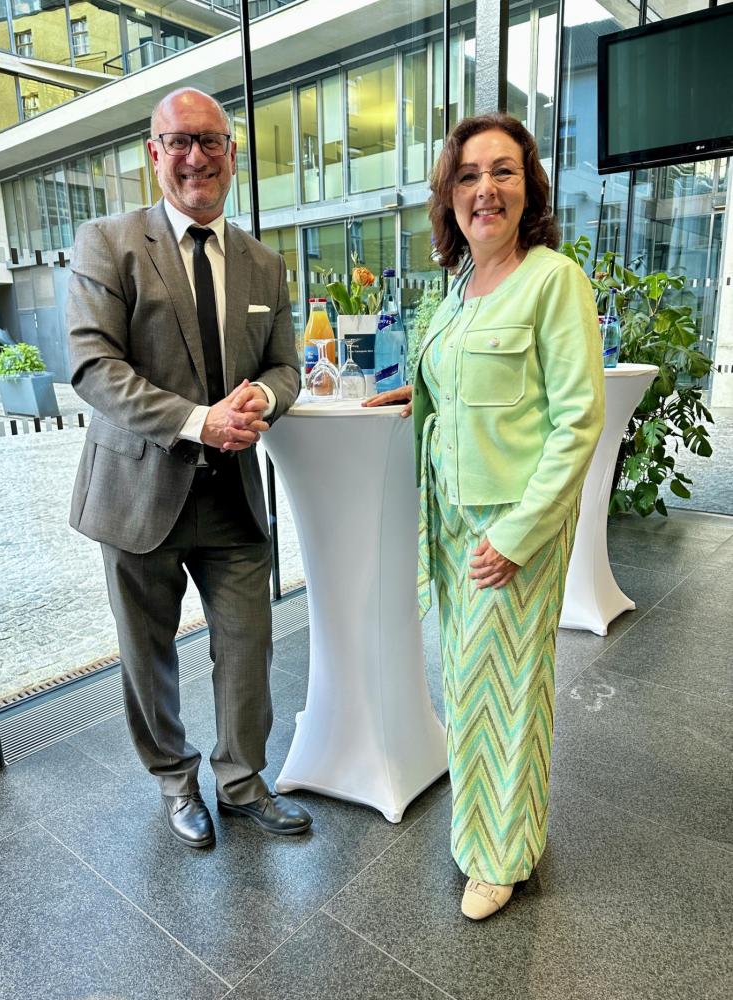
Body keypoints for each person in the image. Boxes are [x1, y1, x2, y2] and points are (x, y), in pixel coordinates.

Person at [366, 113, 604, 919]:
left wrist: (517, 535)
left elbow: (577, 421)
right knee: (466, 684)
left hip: (513, 523)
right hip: (453, 520)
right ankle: (489, 832)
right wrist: (421, 391)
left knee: (508, 689)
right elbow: (465, 373)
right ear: (451, 195)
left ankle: (502, 857)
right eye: (468, 176)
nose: (485, 190)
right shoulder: (461, 285)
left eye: (503, 171)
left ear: (528, 187)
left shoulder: (552, 280)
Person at [68, 88, 312, 848]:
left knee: (248, 646)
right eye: (179, 142)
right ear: (155, 153)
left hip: (232, 493)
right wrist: (198, 420)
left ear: (233, 154)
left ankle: (240, 781)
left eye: (210, 141)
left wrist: (261, 400)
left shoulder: (264, 265)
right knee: (148, 655)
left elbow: (285, 368)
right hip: (138, 490)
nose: (195, 157)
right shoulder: (108, 243)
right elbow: (93, 366)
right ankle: (175, 781)